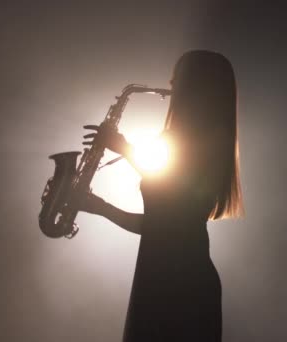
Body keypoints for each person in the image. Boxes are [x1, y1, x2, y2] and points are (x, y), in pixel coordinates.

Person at [80, 50, 244, 342]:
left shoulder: (204, 143)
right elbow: (159, 224)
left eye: (177, 79)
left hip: (179, 285)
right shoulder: (189, 141)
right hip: (166, 276)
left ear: (197, 87)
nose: (169, 86)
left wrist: (124, 149)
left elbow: (170, 210)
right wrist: (98, 206)